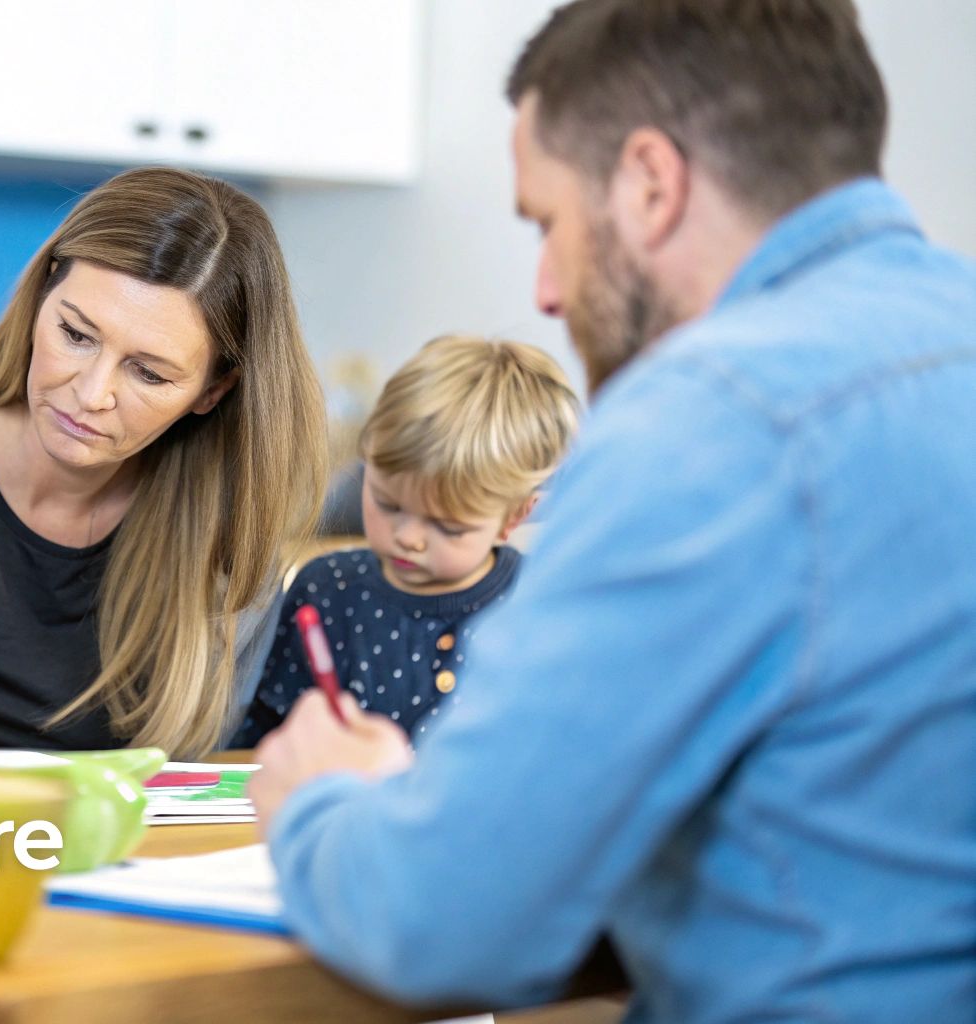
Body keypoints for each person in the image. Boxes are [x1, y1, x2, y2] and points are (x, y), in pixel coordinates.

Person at [251, 1, 976, 1021]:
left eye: (546, 222)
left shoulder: (707, 420)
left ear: (647, 184)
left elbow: (443, 921)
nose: (545, 288)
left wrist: (325, 796)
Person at [0, 166, 328, 757]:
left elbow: (185, 784)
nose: (91, 393)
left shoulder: (229, 541)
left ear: (213, 392)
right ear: (41, 298)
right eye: (76, 335)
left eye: (150, 373)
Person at [232, 335, 578, 747]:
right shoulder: (327, 591)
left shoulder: (536, 600)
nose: (408, 539)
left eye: (448, 527)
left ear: (513, 517)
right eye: (387, 503)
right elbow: (262, 744)